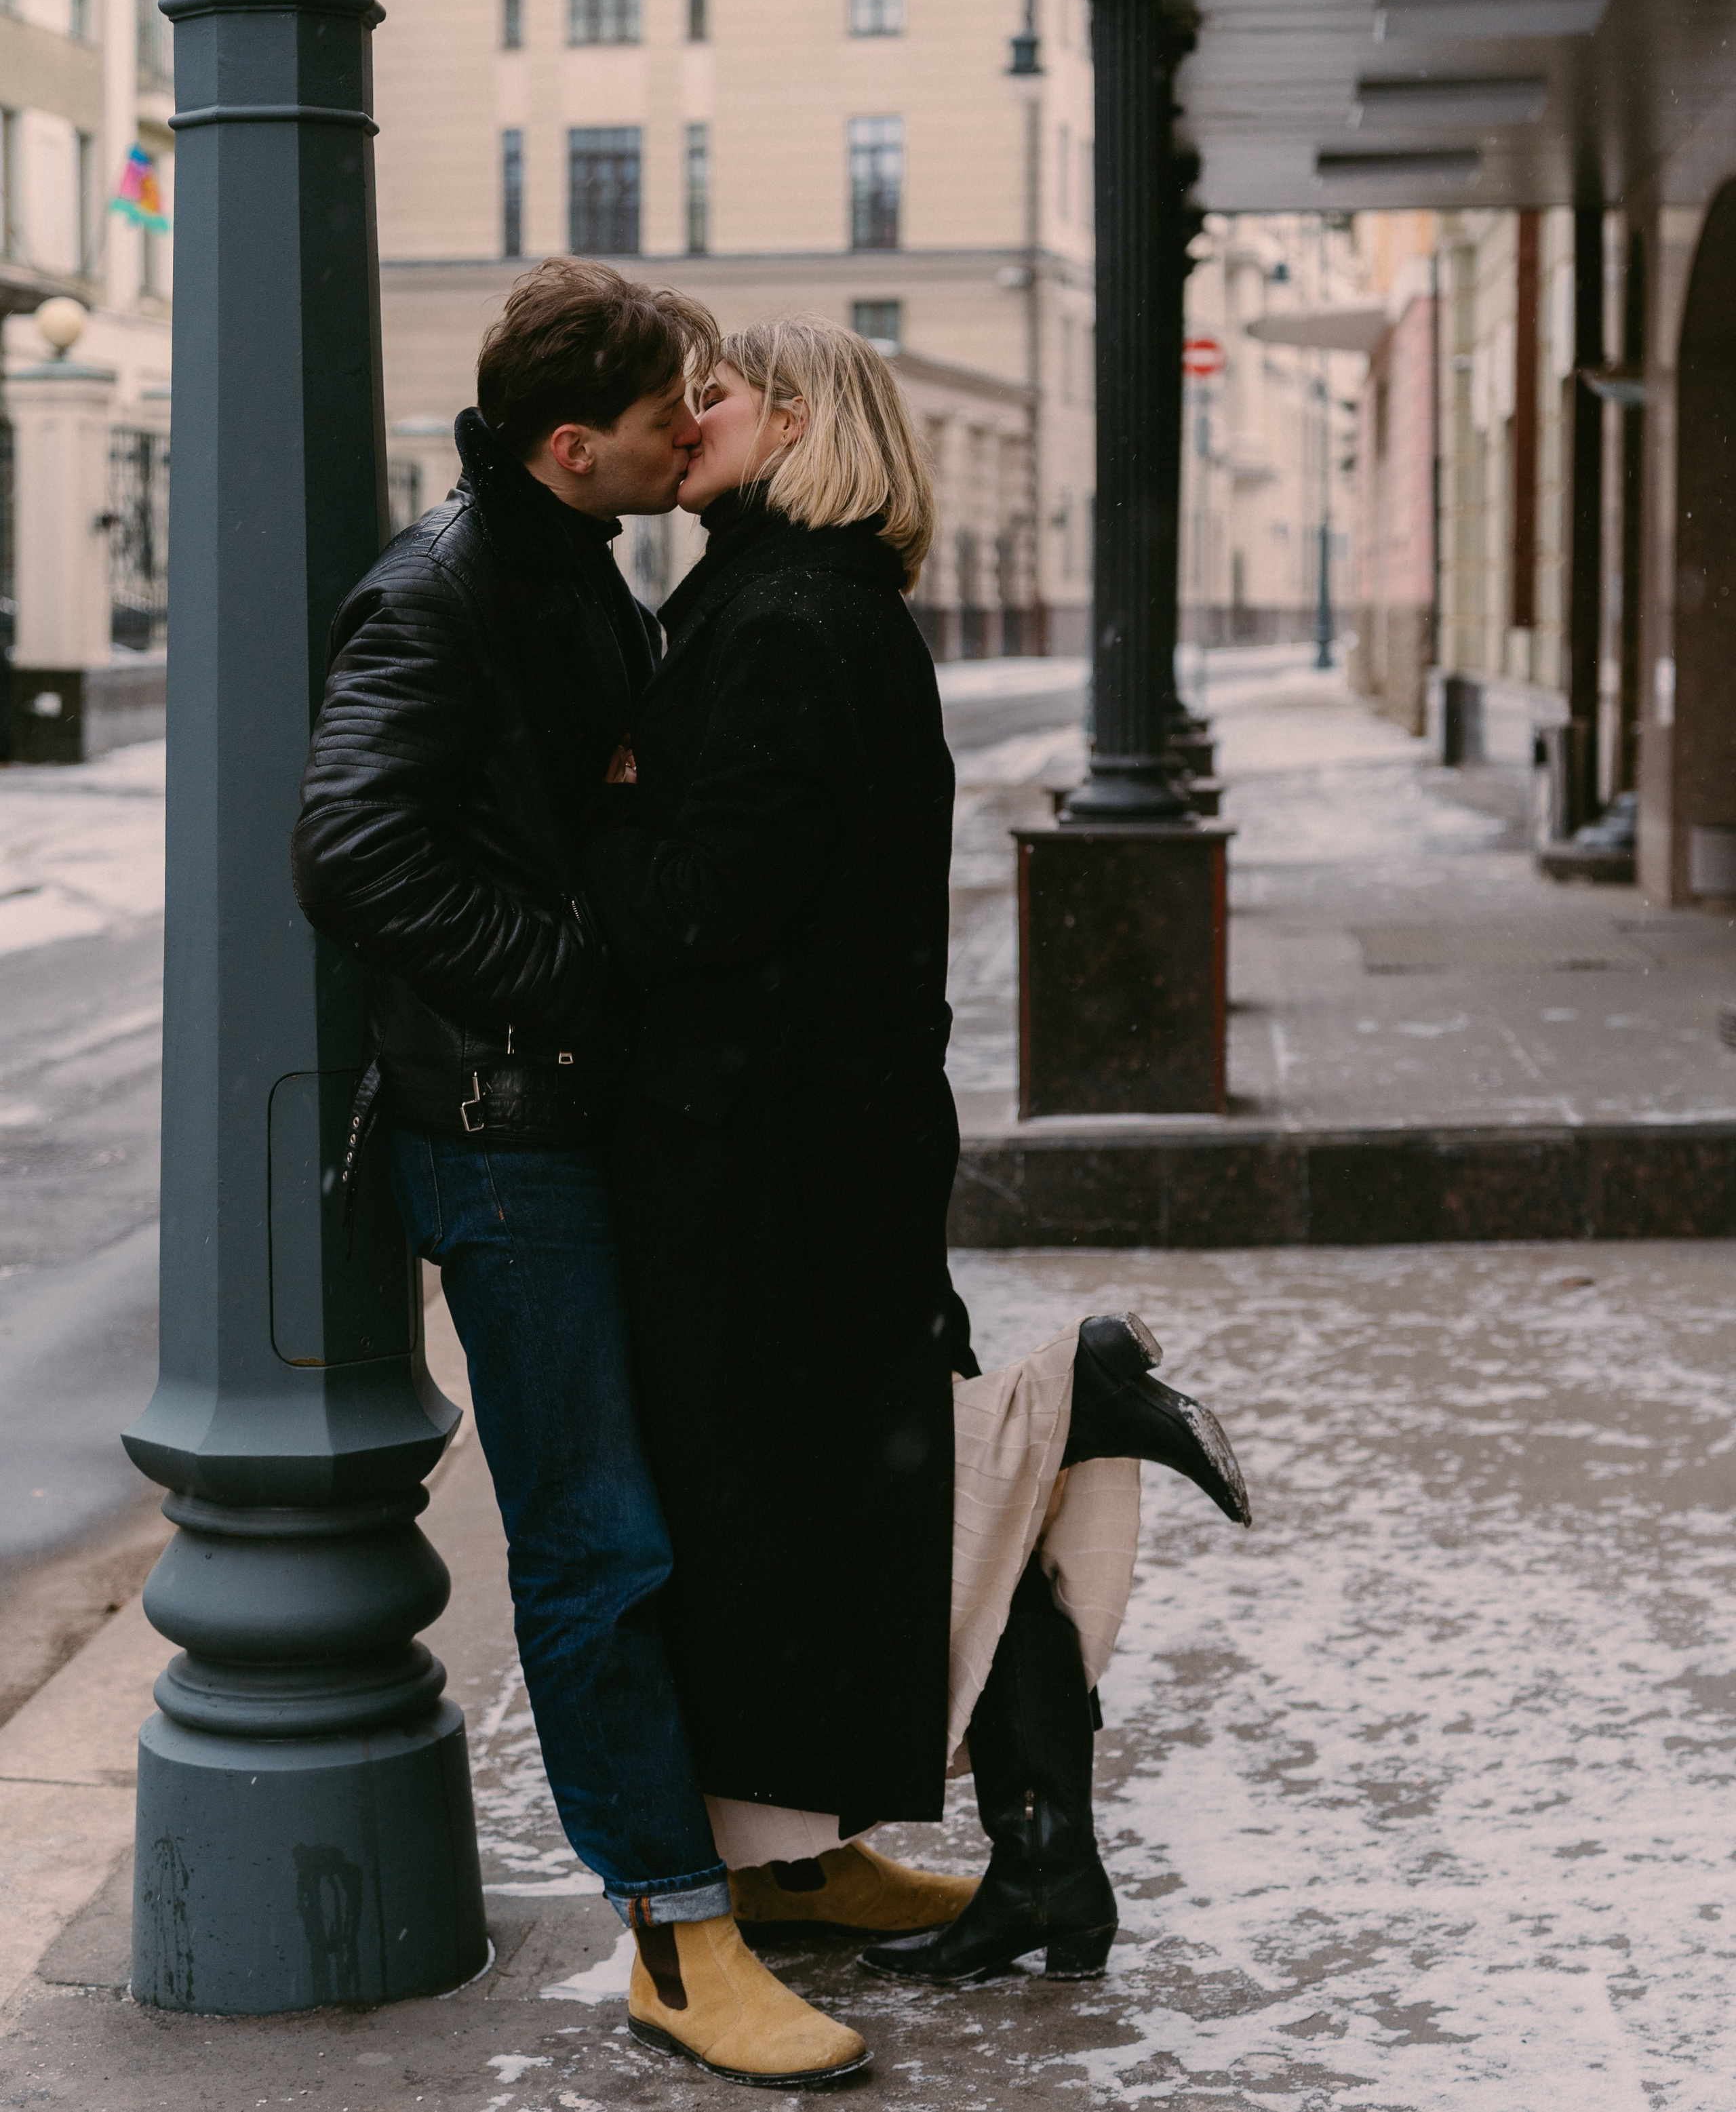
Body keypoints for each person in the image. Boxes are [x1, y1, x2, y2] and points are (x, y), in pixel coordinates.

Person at [575, 317, 1254, 2018]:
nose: (684, 417)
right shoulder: (818, 603)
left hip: (761, 1154)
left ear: (792, 419)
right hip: (822, 1138)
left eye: (713, 396)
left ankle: (1069, 1410)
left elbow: (723, 906)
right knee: (854, 1490)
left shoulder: (782, 620)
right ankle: (1019, 1853)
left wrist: (584, 815)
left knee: (828, 1499)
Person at [292, 262, 871, 2090]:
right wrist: (572, 975)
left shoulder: (575, 574)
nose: (687, 425)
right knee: (597, 1535)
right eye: (661, 409)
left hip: (574, 1117)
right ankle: (679, 1939)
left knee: (670, 1504)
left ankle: (765, 1871)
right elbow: (354, 850)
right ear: (571, 447)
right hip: (495, 1132)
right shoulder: (445, 592)